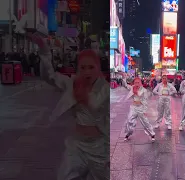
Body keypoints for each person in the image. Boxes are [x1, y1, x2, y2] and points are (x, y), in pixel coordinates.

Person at [30, 34, 109, 179]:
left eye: (91, 67)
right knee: (65, 175)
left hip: (99, 148)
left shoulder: (105, 89)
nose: (87, 72)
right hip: (77, 146)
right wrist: (43, 49)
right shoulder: (72, 83)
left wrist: (84, 94)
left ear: (98, 69)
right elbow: (49, 75)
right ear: (78, 69)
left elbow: (96, 104)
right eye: (83, 67)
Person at [124, 77, 156, 142]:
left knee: (145, 122)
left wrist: (145, 110)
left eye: (138, 82)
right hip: (133, 107)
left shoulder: (144, 90)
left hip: (141, 108)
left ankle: (152, 134)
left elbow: (145, 101)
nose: (137, 84)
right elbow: (126, 85)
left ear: (140, 83)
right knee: (129, 120)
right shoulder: (132, 88)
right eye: (135, 82)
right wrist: (124, 79)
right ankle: (128, 134)